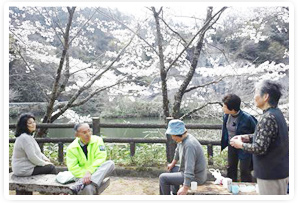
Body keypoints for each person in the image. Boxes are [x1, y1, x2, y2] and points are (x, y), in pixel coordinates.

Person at [230, 80, 289, 195]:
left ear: (265, 96)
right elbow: (267, 136)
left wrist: (240, 145)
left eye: (256, 93)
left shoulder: (267, 117)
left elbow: (260, 148)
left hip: (269, 174)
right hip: (278, 171)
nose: (254, 97)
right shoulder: (276, 113)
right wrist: (246, 137)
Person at [159, 119, 207, 195]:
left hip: (196, 177)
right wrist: (173, 163)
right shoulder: (183, 139)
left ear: (178, 134)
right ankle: (175, 194)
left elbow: (189, 168)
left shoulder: (189, 145)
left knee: (163, 178)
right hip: (189, 172)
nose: (172, 138)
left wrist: (185, 187)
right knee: (173, 169)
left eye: (172, 135)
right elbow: (177, 151)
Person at [66, 123, 115, 195]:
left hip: (97, 173)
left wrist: (89, 172)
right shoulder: (71, 148)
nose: (88, 134)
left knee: (110, 164)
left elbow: (101, 157)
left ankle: (81, 183)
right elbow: (72, 168)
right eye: (84, 132)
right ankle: (83, 182)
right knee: (88, 188)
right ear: (77, 135)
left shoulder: (98, 140)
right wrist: (85, 176)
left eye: (89, 131)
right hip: (81, 177)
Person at [221, 94, 257, 182]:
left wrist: (246, 139)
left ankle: (247, 190)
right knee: (231, 168)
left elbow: (258, 132)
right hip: (232, 145)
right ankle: (231, 187)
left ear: (232, 109)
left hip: (244, 147)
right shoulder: (226, 116)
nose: (222, 108)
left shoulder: (248, 118)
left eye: (224, 106)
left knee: (245, 170)